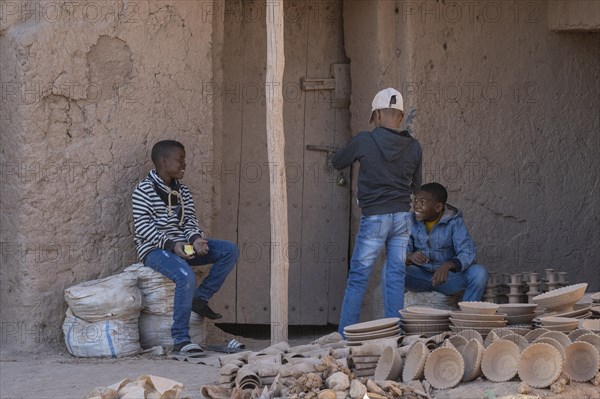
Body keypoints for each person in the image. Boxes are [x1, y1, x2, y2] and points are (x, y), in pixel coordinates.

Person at [132, 140, 239, 357]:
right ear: (163, 161)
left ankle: (200, 299)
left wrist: (196, 239)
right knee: (185, 275)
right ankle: (181, 339)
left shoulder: (183, 191)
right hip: (155, 250)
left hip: (183, 245)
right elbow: (143, 228)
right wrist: (173, 245)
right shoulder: (143, 191)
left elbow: (189, 220)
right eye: (180, 160)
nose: (184, 164)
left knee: (229, 250)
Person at [332, 88, 422, 336]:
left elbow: (338, 161)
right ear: (401, 116)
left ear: (378, 114)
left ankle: (344, 336)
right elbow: (417, 186)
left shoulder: (364, 140)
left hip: (375, 218)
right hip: (402, 218)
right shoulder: (414, 146)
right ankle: (394, 336)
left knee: (359, 277)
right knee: (395, 276)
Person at [405, 182, 487, 301]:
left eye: (422, 202)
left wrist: (448, 265)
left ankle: (467, 316)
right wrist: (409, 256)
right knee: (391, 268)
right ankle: (395, 316)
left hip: (447, 280)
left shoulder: (454, 222)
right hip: (419, 277)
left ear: (438, 207)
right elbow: (399, 250)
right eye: (415, 200)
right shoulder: (410, 221)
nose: (416, 206)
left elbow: (468, 252)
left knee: (479, 273)